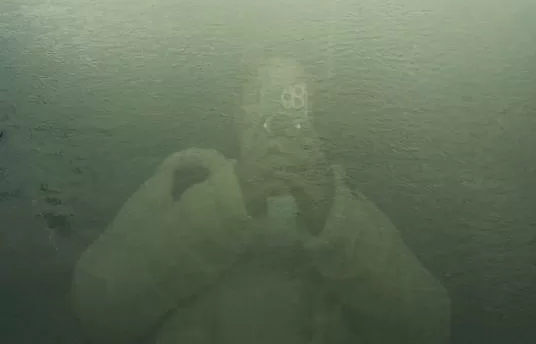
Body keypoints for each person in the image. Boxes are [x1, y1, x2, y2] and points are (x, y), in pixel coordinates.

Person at [72, 58, 450, 343]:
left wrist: (330, 215)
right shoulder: (186, 180)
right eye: (262, 95)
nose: (279, 113)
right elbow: (96, 307)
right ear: (236, 109)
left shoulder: (347, 201)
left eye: (294, 96)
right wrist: (229, 200)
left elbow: (429, 327)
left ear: (314, 111)